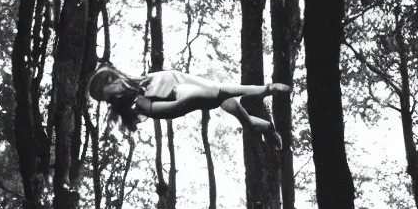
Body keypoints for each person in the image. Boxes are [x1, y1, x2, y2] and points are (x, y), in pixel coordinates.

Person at [88, 63, 289, 149]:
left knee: (236, 110)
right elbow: (168, 110)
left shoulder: (137, 82)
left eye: (111, 78)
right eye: (109, 86)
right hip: (179, 93)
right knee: (220, 93)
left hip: (185, 81)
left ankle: (269, 128)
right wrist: (188, 101)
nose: (115, 82)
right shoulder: (137, 103)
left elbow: (221, 88)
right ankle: (266, 93)